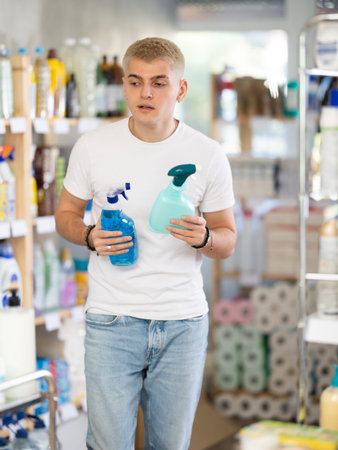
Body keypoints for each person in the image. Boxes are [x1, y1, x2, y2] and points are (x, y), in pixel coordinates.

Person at [55, 37, 236, 450]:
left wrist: (205, 237)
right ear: (124, 84)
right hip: (112, 319)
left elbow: (227, 239)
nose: (146, 94)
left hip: (182, 322)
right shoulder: (94, 146)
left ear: (181, 89)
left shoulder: (206, 155)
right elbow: (65, 216)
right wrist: (88, 235)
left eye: (158, 82)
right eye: (135, 82)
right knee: (107, 445)